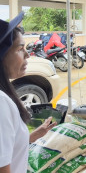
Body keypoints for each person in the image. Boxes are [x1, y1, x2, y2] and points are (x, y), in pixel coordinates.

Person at [0, 13, 56, 173]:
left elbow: (7, 148)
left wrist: (33, 135)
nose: (27, 54)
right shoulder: (2, 103)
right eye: (19, 48)